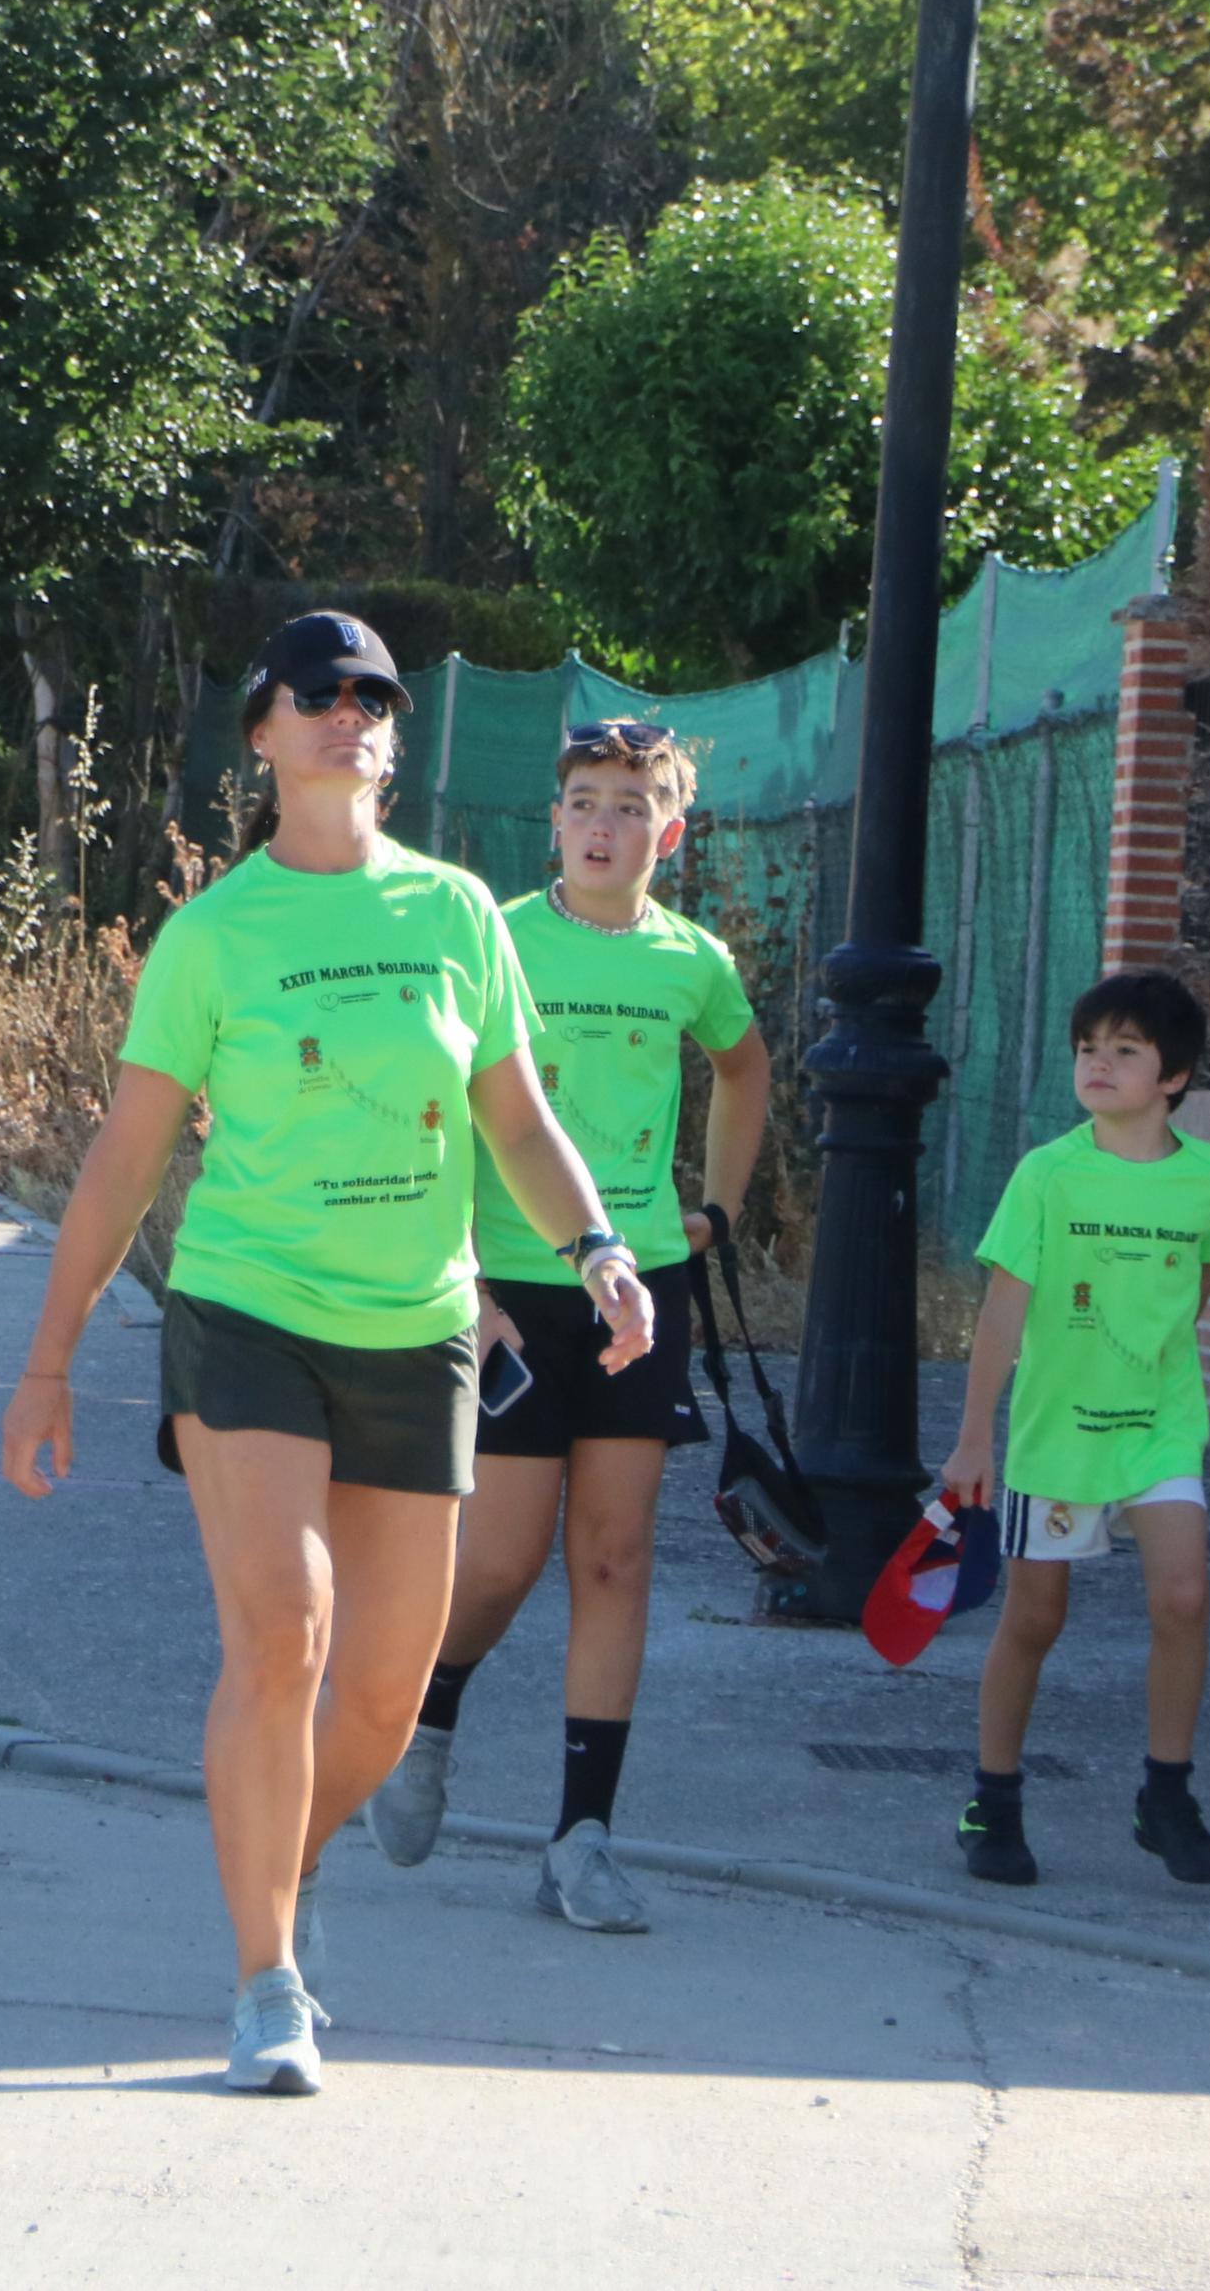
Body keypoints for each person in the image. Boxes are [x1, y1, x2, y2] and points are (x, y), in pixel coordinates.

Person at [0, 612, 659, 2099]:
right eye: (315, 695)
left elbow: (515, 1117)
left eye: (369, 695)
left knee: (377, 1691)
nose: (347, 714)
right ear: (262, 731)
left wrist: (597, 1247)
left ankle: (264, 1862)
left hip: (414, 1330)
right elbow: (121, 1158)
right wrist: (46, 1359)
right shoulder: (214, 932)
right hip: (245, 1314)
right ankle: (265, 1978)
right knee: (284, 1627)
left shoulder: (454, 914)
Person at [366, 717, 768, 1930]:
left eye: (629, 804)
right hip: (509, 1287)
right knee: (497, 1562)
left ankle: (579, 1842)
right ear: (554, 821)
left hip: (638, 1289)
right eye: (584, 801)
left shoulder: (691, 959)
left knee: (613, 1559)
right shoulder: (490, 937)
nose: (604, 824)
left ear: (669, 830)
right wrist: (463, 1279)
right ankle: (425, 1715)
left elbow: (746, 1070)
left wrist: (712, 1213)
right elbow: (430, 1100)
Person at [936, 969, 1210, 1892]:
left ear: (1174, 1075)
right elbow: (1000, 1315)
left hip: (1158, 1430)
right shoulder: (1047, 1173)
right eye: (1086, 1049)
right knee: (1035, 1617)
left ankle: (1166, 1797)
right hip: (1056, 1439)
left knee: (1184, 1599)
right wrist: (972, 1440)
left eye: (1124, 1050)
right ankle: (991, 1802)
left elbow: (1195, 1293)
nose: (1098, 1065)